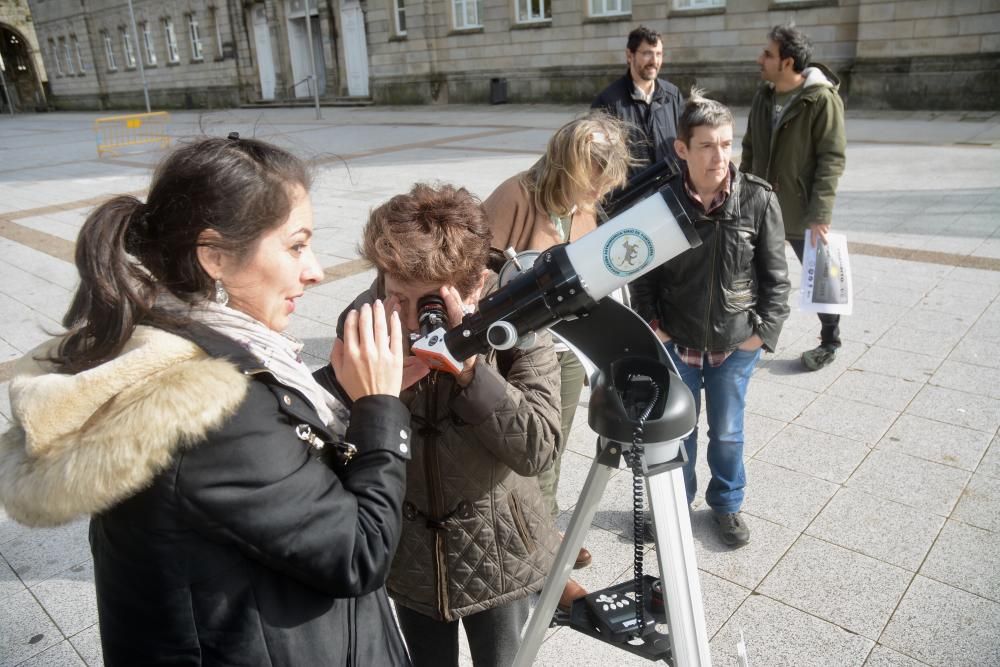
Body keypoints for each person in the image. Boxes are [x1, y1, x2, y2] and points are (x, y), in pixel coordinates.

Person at [0, 136, 412, 665]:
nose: (315, 271)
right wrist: (380, 407)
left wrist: (337, 386)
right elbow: (358, 552)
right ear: (214, 256)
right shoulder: (207, 409)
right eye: (295, 246)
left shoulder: (167, 339)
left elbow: (273, 447)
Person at [346, 183, 563, 667]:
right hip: (411, 553)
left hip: (499, 549)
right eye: (392, 292)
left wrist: (470, 370)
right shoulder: (369, 316)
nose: (401, 314)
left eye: (420, 303)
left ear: (474, 286)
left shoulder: (517, 323)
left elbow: (539, 447)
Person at [629, 91, 790, 548]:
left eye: (727, 143)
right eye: (707, 145)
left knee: (728, 433)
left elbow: (776, 280)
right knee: (678, 433)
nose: (720, 156)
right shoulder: (662, 205)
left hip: (734, 347)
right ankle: (676, 507)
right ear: (682, 148)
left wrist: (760, 336)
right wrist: (655, 330)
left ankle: (727, 505)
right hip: (676, 343)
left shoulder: (757, 200)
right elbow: (643, 277)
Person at [483, 112, 631, 574]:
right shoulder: (516, 195)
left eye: (605, 184)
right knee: (518, 449)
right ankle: (536, 550)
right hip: (519, 349)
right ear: (566, 165)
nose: (598, 193)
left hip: (568, 348)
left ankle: (542, 533)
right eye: (593, 181)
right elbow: (473, 268)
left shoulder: (582, 205)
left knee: (553, 447)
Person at [740, 23, 847, 371]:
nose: (760, 59)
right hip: (761, 205)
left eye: (768, 54)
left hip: (802, 210)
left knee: (821, 276)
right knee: (750, 272)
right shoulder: (764, 95)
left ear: (787, 62)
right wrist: (741, 191)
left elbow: (832, 158)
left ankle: (830, 340)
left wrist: (821, 213)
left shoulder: (821, 99)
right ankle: (749, 334)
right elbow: (750, 146)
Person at [592, 24, 685, 177]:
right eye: (647, 53)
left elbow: (684, 144)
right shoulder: (608, 101)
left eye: (659, 54)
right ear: (630, 55)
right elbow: (598, 160)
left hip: (670, 189)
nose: (654, 61)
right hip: (631, 196)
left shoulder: (672, 95)